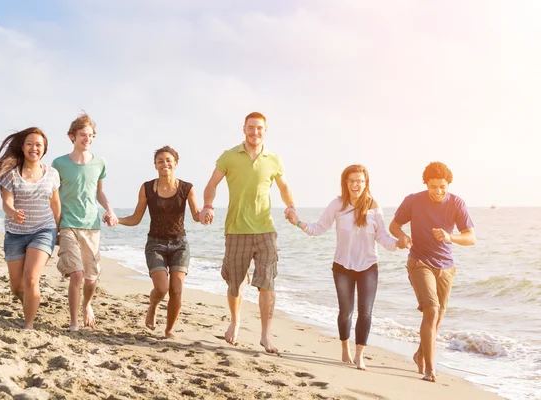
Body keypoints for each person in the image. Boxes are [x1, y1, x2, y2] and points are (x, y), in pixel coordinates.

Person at [286, 164, 404, 370]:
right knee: (345, 311)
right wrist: (298, 223)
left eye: (360, 181)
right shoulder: (338, 205)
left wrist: (398, 243)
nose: (356, 184)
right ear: (346, 183)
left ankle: (360, 355)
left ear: (366, 183)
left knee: (365, 311)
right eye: (352, 181)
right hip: (342, 266)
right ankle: (344, 348)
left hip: (368, 265)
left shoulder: (374, 206)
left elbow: (382, 236)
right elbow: (318, 228)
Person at [199, 112, 295, 354]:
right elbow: (211, 184)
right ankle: (236, 320)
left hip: (266, 231)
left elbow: (284, 187)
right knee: (235, 283)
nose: (255, 132)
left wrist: (291, 207)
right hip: (236, 230)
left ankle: (265, 335)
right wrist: (208, 206)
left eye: (260, 128)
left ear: (265, 130)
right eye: (251, 127)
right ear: (244, 128)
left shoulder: (273, 159)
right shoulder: (229, 156)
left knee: (268, 283)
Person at [389, 161, 475, 382]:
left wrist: (450, 237)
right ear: (426, 184)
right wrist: (403, 237)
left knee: (437, 318)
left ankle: (420, 355)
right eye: (433, 186)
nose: (437, 191)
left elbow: (471, 237)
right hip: (419, 261)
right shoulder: (413, 201)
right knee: (431, 310)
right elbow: (394, 225)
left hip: (446, 267)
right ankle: (430, 368)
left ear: (449, 184)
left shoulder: (457, 204)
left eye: (442, 186)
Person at [0, 127, 61, 329]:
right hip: (15, 234)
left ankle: (29, 324)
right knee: (17, 286)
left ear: (44, 149)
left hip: (43, 230)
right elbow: (6, 202)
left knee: (31, 277)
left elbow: (55, 204)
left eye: (39, 145)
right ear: (23, 147)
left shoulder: (52, 174)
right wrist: (13, 212)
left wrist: (58, 231)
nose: (34, 148)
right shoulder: (11, 174)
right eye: (30, 144)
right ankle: (30, 304)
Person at [118, 146, 201, 338]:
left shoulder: (186, 188)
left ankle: (169, 329)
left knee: (177, 289)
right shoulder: (147, 188)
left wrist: (205, 214)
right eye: (160, 161)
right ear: (155, 165)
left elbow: (196, 215)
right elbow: (135, 218)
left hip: (179, 244)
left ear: (176, 163)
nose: (165, 163)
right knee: (162, 288)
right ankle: (153, 305)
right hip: (155, 244)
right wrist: (117, 219)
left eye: (168, 160)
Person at [51, 113, 118, 331]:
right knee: (77, 274)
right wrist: (55, 224)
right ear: (72, 136)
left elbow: (99, 192)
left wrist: (110, 210)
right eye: (83, 135)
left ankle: (87, 305)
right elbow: (53, 195)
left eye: (91, 135)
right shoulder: (58, 163)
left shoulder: (100, 162)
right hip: (68, 223)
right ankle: (73, 322)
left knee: (91, 279)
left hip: (92, 226)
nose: (87, 139)